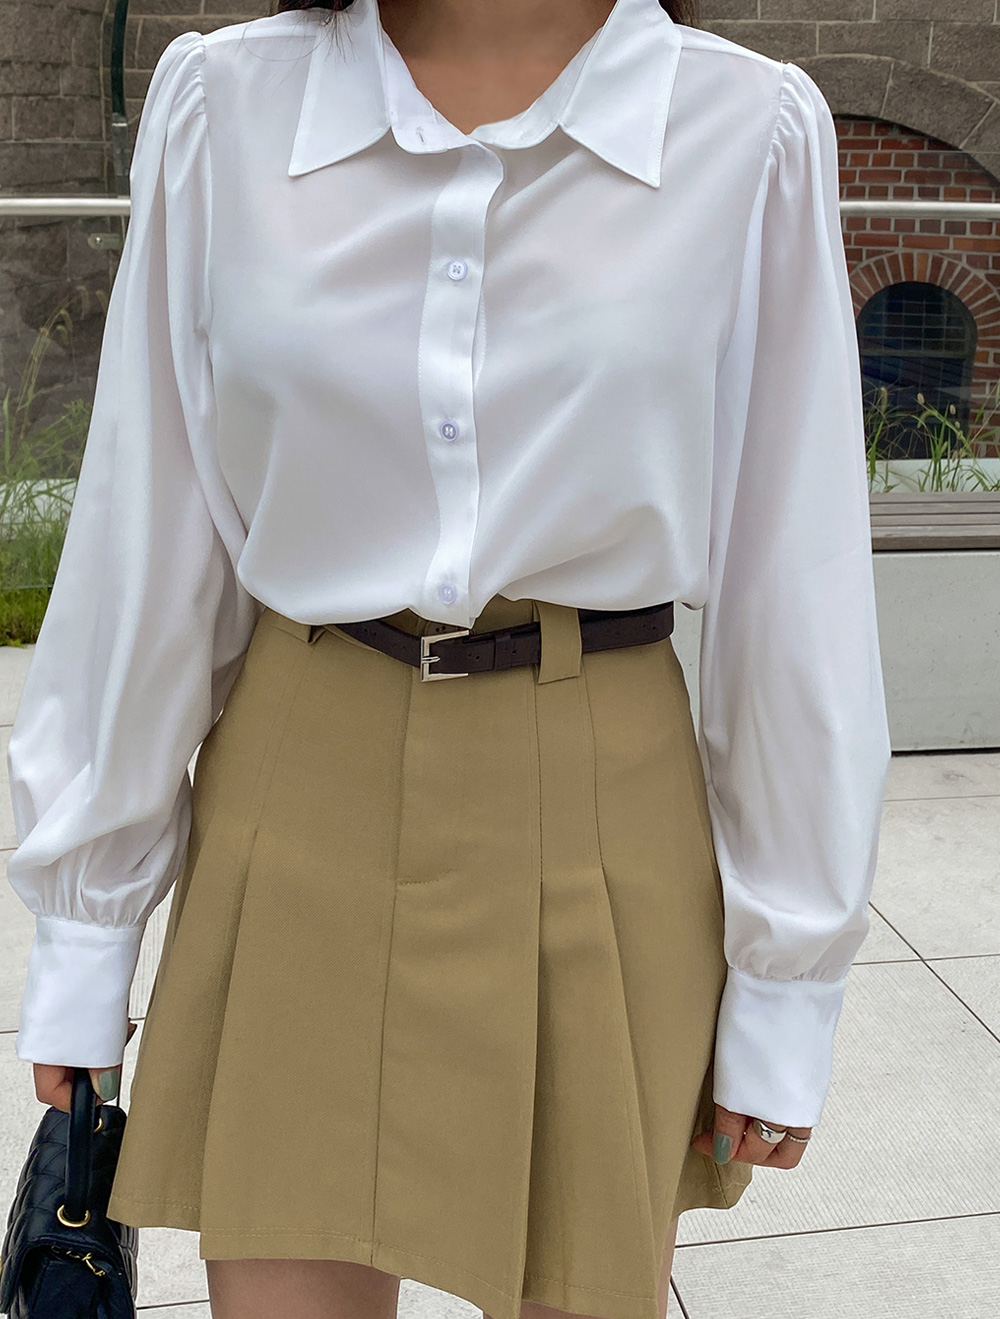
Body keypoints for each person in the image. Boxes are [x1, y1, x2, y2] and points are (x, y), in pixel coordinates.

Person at [6, 1, 892, 1318]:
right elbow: (150, 531)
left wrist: (786, 980)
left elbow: (794, 569)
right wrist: (87, 942)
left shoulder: (746, 131)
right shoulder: (224, 107)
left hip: (597, 793)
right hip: (301, 784)